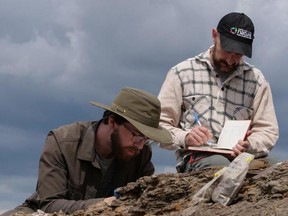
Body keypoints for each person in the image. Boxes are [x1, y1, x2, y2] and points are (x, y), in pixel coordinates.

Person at [2, 87, 172, 215]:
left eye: (146, 139)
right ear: (112, 122)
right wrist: (104, 204)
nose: (141, 145)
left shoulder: (140, 153)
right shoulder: (62, 141)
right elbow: (48, 204)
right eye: (137, 136)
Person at [157, 12, 279, 173]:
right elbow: (159, 125)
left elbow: (268, 130)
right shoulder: (181, 73)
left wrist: (249, 144)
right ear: (215, 35)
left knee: (277, 171)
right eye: (227, 50)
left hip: (244, 157)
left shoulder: (257, 81)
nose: (230, 60)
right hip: (198, 157)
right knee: (221, 166)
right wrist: (185, 137)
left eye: (238, 54)